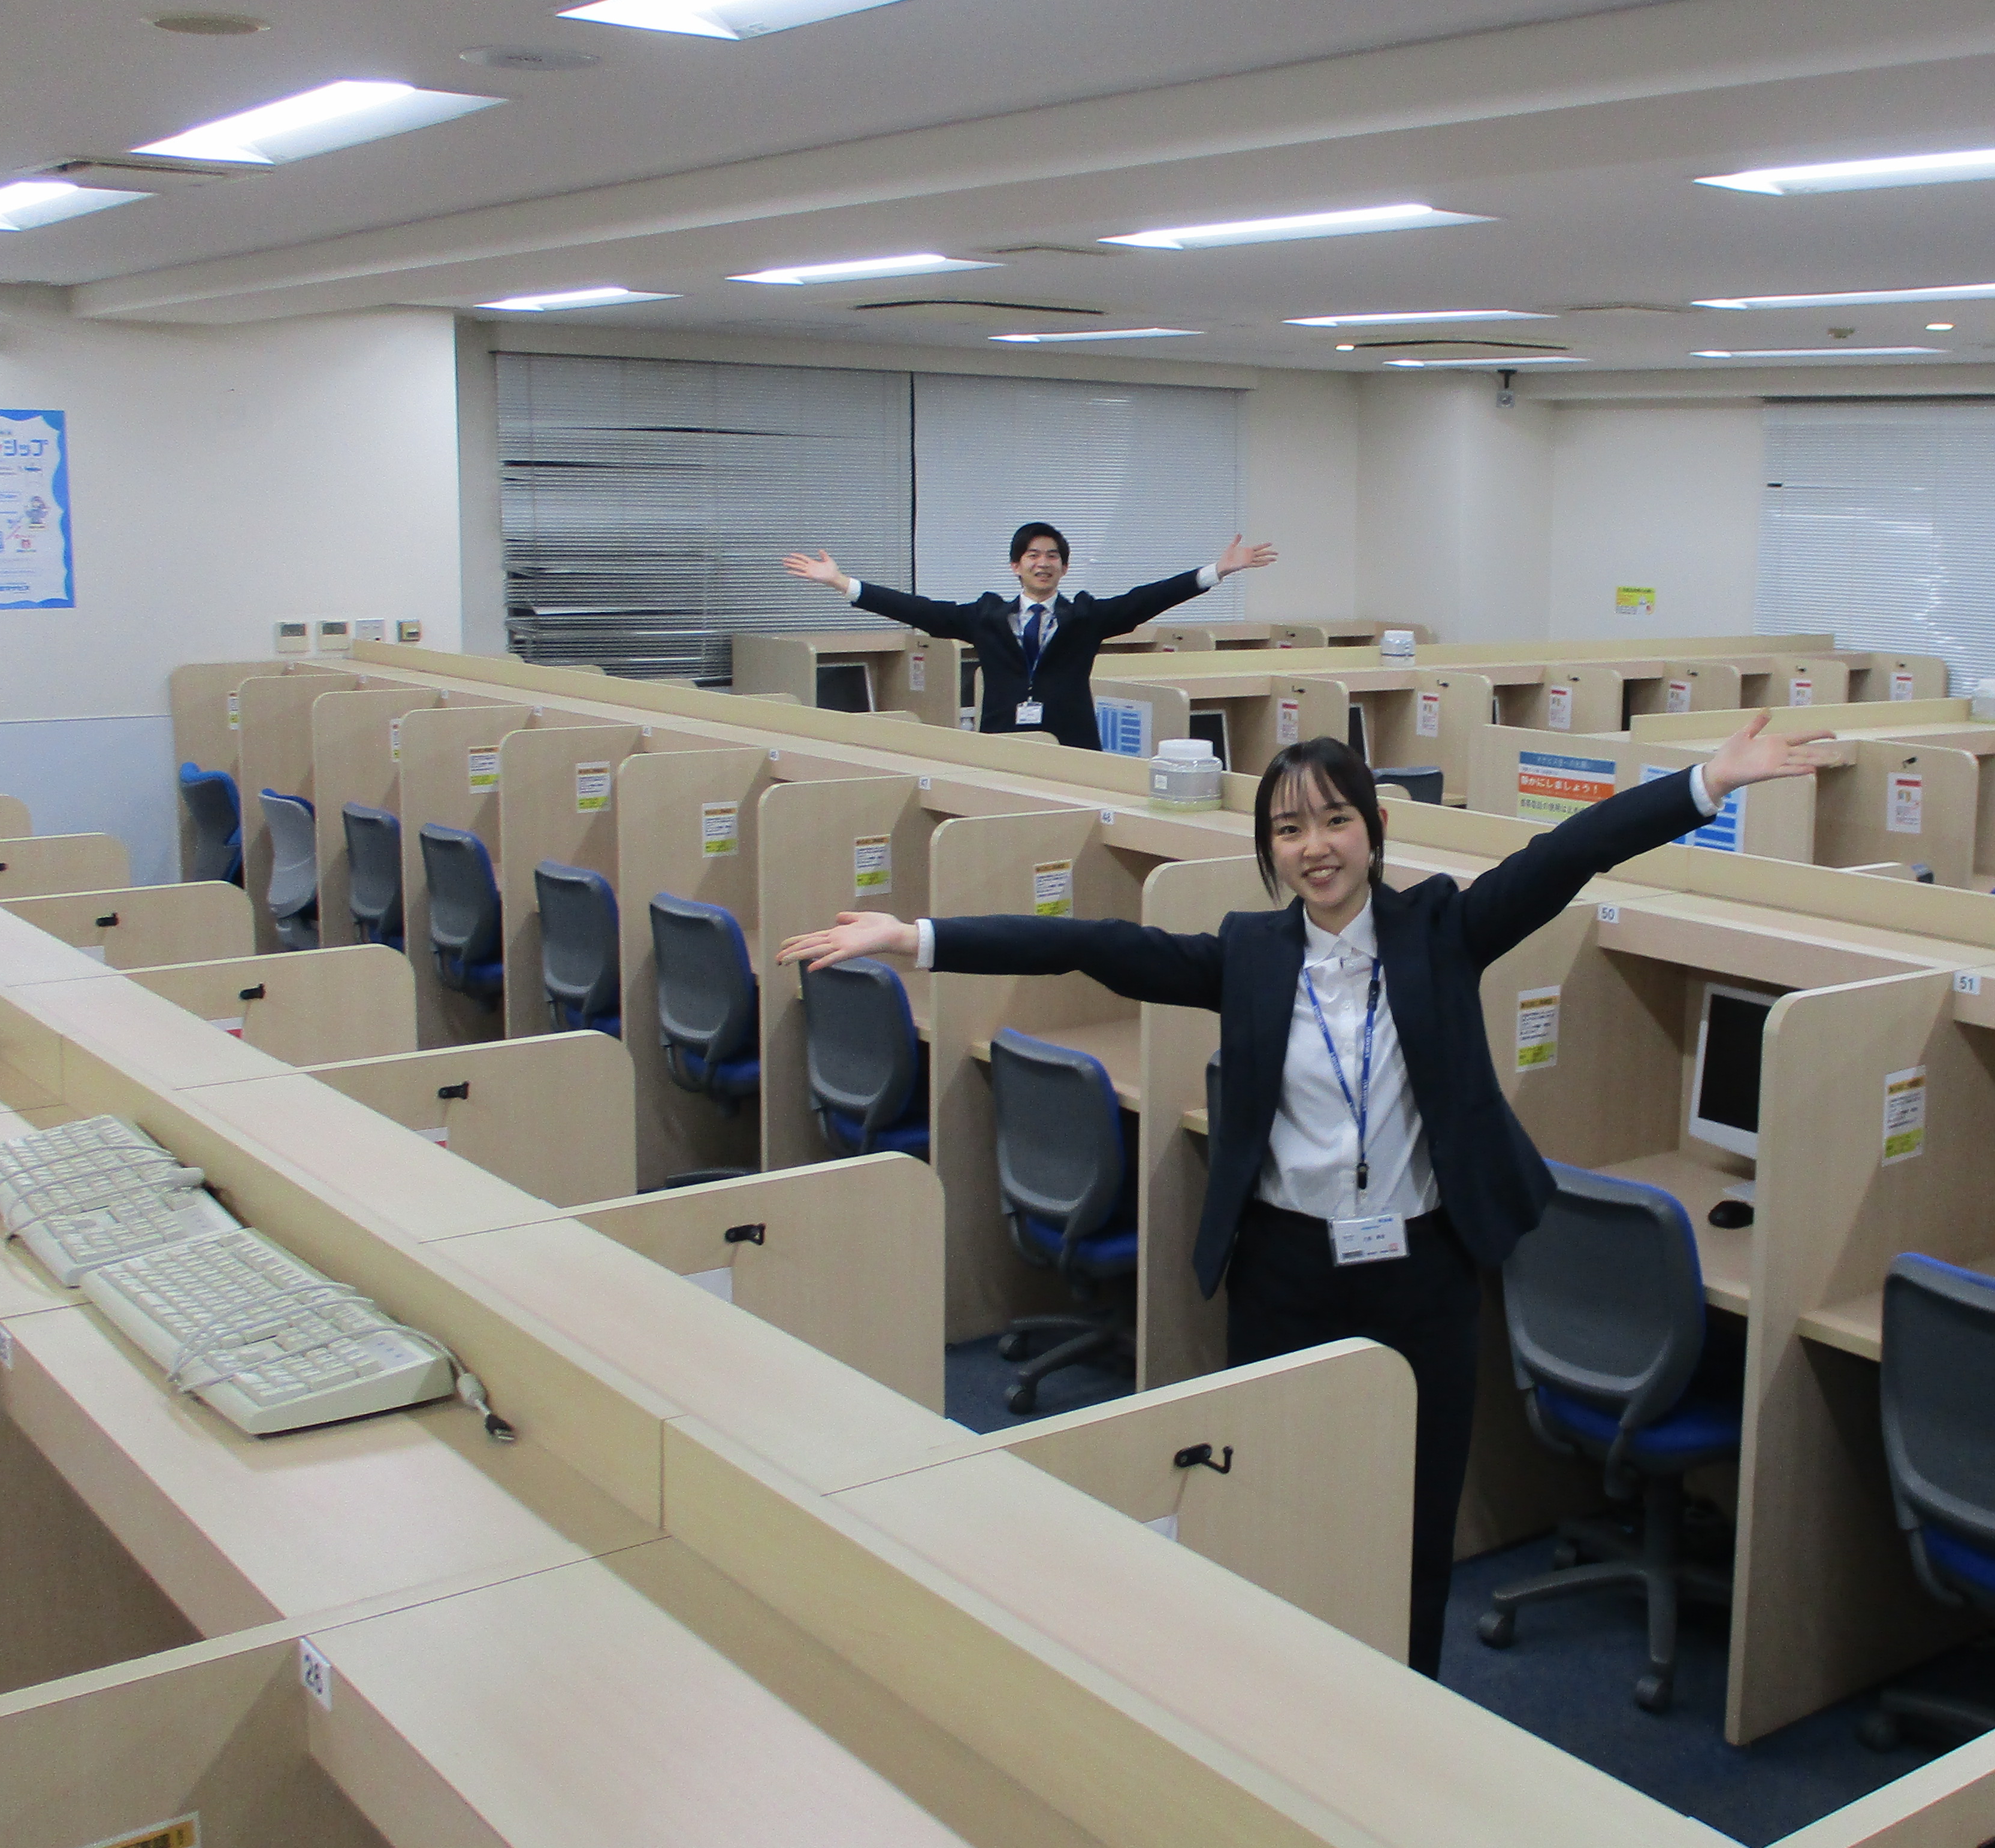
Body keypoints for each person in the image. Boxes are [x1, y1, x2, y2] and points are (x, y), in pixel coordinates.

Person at [777, 711, 1827, 1676]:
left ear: (1374, 829)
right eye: (1288, 829)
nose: (1314, 846)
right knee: (1278, 1494)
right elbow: (1093, 947)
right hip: (1285, 1270)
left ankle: (1406, 1694)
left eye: (1334, 820)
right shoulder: (1248, 954)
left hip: (1420, 1270)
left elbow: (1571, 852)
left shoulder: (1442, 930)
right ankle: (1279, 1688)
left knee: (1415, 1510)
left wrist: (1708, 782)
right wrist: (916, 939)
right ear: (1269, 852)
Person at [784, 523, 1276, 749]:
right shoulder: (985, 617)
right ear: (1016, 566)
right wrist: (843, 584)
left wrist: (1216, 571)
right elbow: (919, 611)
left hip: (1072, 744)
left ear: (1064, 568)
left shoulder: (1085, 618)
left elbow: (1147, 599)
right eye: (1033, 556)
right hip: (1003, 743)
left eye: (1052, 556)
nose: (1043, 563)